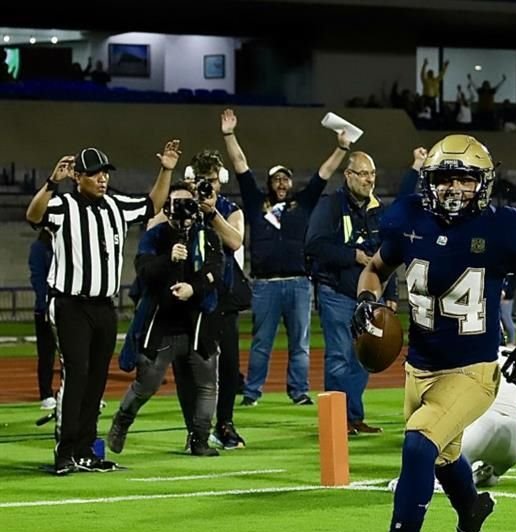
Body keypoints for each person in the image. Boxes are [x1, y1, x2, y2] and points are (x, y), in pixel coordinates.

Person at [349, 134, 516, 532]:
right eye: (443, 177)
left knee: (418, 447)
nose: (452, 188)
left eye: (463, 179)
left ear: (483, 184)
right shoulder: (408, 215)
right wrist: (367, 299)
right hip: (420, 366)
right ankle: (471, 510)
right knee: (446, 456)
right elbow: (375, 268)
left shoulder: (506, 227)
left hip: (472, 370)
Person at [25, 142, 180, 474]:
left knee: (96, 380)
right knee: (76, 376)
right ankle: (65, 451)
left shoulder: (116, 205)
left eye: (105, 173)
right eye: (95, 174)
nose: (102, 179)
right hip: (70, 304)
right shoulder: (64, 205)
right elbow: (34, 216)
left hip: (104, 307)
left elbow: (152, 205)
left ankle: (85, 451)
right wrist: (52, 183)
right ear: (78, 176)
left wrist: (166, 169)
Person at [220, 108, 350, 406]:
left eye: (285, 179)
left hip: (299, 284)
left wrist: (341, 148)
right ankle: (252, 393)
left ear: (291, 183)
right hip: (265, 285)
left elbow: (324, 173)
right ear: (269, 183)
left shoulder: (301, 204)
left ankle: (299, 391)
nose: (281, 183)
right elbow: (240, 165)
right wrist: (229, 135)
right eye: (276, 179)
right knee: (261, 344)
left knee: (300, 345)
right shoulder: (255, 203)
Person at [305, 147, 422, 435]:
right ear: (348, 175)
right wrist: (353, 256)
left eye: (372, 174)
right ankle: (336, 421)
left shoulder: (377, 209)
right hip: (337, 292)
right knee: (339, 357)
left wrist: (391, 294)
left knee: (363, 356)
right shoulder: (330, 206)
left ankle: (353, 418)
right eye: (363, 173)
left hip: (369, 296)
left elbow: (388, 254)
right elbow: (314, 245)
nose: (368, 179)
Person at [108, 183, 224, 457]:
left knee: (207, 385)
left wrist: (192, 288)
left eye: (188, 203)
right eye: (176, 203)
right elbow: (143, 271)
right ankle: (122, 421)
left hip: (197, 325)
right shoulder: (155, 236)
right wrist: (168, 260)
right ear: (166, 207)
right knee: (147, 384)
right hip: (161, 325)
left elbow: (215, 272)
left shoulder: (206, 236)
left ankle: (200, 440)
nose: (183, 209)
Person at [148, 144, 249, 449]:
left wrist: (211, 212)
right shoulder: (179, 205)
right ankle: (194, 429)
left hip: (222, 298)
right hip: (187, 299)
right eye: (203, 180)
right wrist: (179, 209)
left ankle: (225, 424)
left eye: (213, 180)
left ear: (222, 181)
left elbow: (235, 241)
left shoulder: (230, 210)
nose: (208, 186)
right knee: (186, 368)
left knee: (228, 366)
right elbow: (151, 227)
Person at [461, 351, 516, 487]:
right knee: (491, 479)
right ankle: (486, 473)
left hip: (482, 429)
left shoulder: (473, 355)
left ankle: (449, 478)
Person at [28, 228, 57, 410]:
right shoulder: (39, 247)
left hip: (68, 306)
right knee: (46, 353)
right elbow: (37, 276)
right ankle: (45, 394)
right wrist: (44, 303)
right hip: (47, 307)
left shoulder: (67, 242)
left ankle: (73, 394)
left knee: (73, 353)